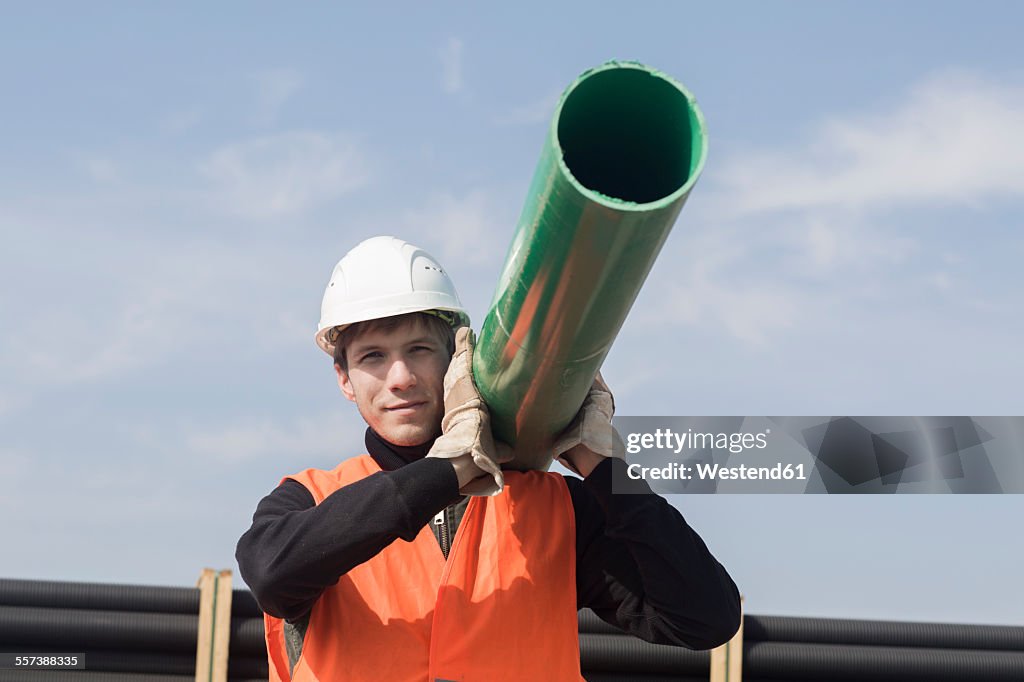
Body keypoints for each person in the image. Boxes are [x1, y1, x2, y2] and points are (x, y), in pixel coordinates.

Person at [236, 236, 741, 681]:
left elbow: (705, 620)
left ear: (457, 358)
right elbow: (273, 576)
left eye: (418, 350)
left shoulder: (558, 510)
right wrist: (451, 469)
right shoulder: (308, 498)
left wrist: (605, 468)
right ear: (344, 379)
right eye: (372, 357)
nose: (400, 378)